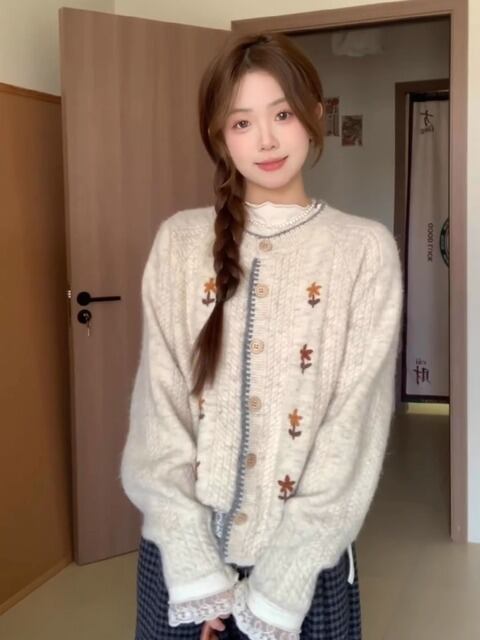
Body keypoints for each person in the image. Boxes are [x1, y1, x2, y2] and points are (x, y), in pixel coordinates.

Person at [119, 31, 404, 640]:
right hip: (183, 567)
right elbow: (158, 416)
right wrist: (198, 578)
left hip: (304, 575)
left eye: (282, 114)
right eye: (241, 122)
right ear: (219, 135)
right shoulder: (180, 243)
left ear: (315, 114)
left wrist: (279, 588)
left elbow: (352, 431)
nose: (267, 140)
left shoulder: (363, 250)